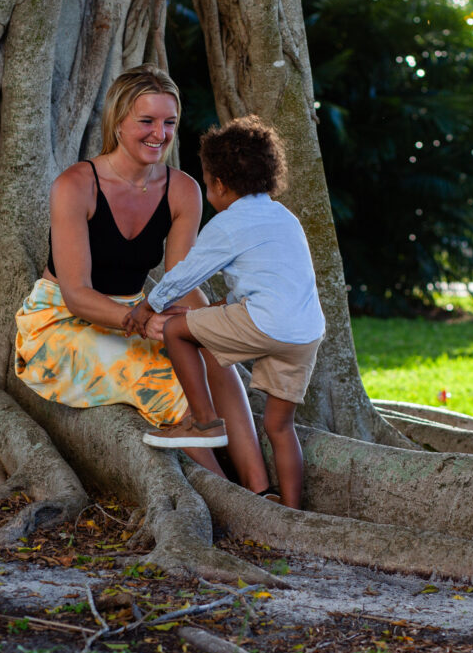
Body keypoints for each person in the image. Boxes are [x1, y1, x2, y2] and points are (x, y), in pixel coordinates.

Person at [14, 65, 270, 492]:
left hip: (136, 313)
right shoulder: (77, 185)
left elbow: (181, 278)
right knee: (162, 375)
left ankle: (260, 489)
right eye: (146, 121)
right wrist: (146, 320)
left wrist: (214, 329)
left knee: (218, 362)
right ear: (118, 122)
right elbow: (76, 295)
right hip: (59, 323)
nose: (160, 134)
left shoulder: (182, 189)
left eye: (169, 122)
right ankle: (231, 496)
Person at [124, 115, 325, 509]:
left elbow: (183, 274)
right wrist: (226, 308)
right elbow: (276, 278)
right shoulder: (285, 218)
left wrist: (147, 304)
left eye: (206, 180)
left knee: (178, 330)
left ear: (218, 184)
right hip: (305, 332)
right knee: (280, 426)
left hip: (265, 324)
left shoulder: (228, 223)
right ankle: (292, 511)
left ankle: (203, 422)